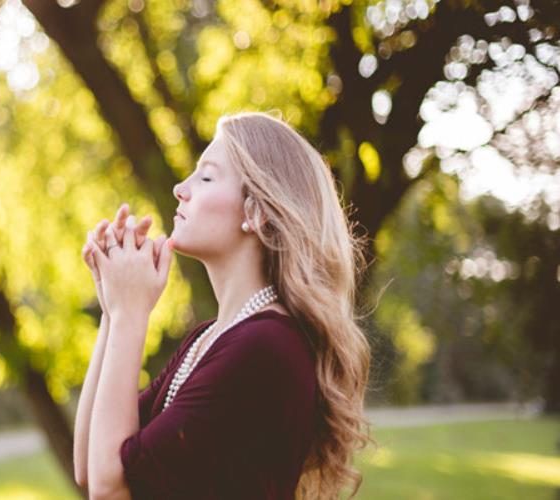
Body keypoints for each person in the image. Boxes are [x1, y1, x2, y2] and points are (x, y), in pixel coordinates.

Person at [75, 111, 373, 499]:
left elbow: (109, 488)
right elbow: (87, 463)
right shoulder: (212, 338)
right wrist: (113, 311)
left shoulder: (264, 347)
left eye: (207, 176)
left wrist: (131, 311)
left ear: (257, 212)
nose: (181, 188)